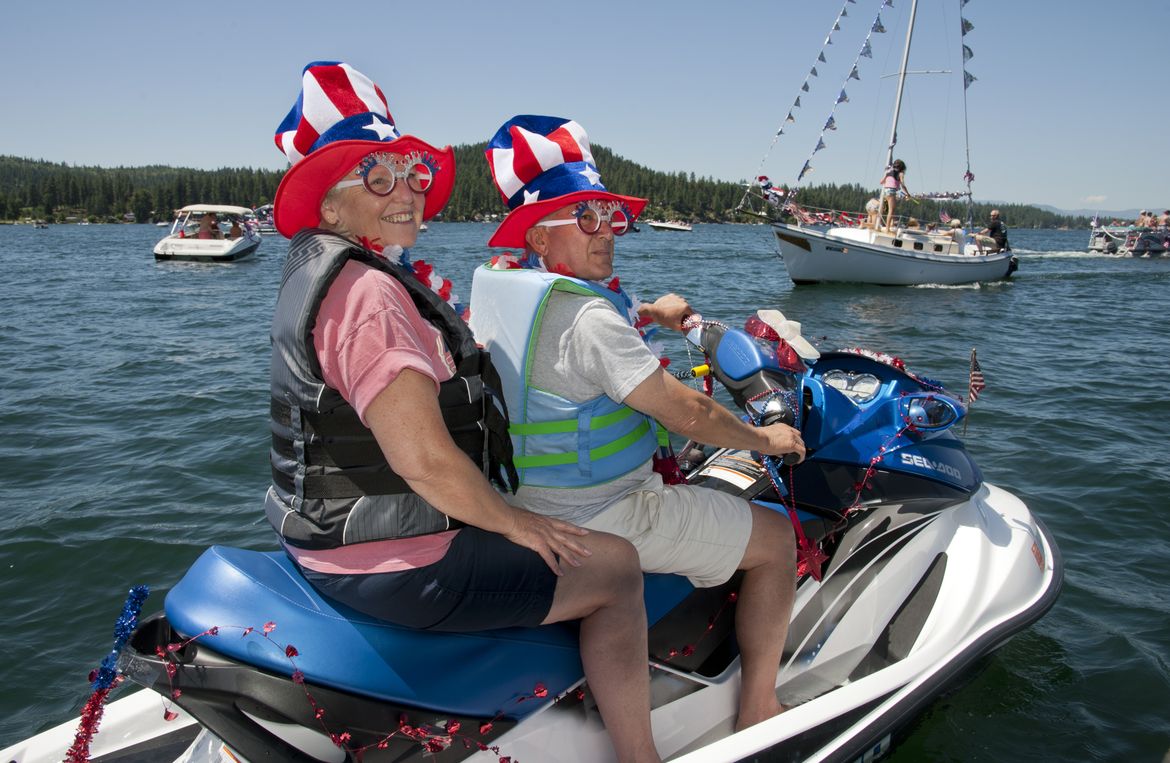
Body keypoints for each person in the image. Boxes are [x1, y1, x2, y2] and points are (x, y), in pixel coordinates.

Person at [265, 65, 658, 763]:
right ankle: (638, 753)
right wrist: (521, 522)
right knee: (618, 567)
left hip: (327, 544)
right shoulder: (370, 296)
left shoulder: (319, 271)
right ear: (329, 207)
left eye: (410, 170)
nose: (406, 189)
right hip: (396, 563)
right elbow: (423, 458)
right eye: (376, 176)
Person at [470, 115, 803, 732]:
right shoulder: (589, 321)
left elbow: (580, 346)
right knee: (777, 540)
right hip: (603, 510)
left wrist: (652, 312)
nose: (607, 234)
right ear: (540, 239)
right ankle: (759, 705)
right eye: (586, 219)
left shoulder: (510, 290)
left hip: (525, 500)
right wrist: (766, 439)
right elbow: (690, 412)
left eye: (610, 216)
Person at [878, 159, 911, 231]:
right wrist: (907, 194)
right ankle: (887, 229)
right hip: (892, 191)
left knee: (889, 209)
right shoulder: (901, 173)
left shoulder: (888, 171)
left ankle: (890, 225)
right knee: (891, 211)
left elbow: (881, 182)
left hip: (886, 191)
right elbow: (902, 185)